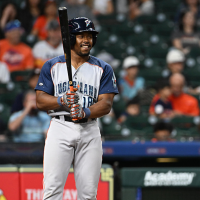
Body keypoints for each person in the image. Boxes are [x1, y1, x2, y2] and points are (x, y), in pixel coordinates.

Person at [35, 17, 118, 200]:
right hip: (60, 127)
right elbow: (40, 100)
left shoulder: (103, 68)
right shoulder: (53, 65)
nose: (86, 40)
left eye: (89, 36)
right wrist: (61, 100)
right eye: (81, 36)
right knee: (52, 191)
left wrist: (85, 111)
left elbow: (106, 104)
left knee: (88, 195)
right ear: (70, 38)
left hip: (89, 129)